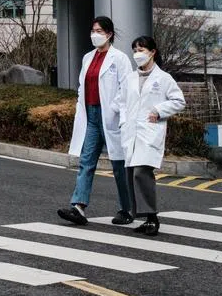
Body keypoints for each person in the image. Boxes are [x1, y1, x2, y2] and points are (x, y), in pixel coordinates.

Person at [58, 16, 135, 227]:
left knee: (119, 164)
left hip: (112, 117)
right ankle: (78, 207)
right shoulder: (88, 58)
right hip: (91, 116)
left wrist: (114, 109)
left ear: (109, 34)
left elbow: (126, 88)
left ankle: (126, 209)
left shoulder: (120, 58)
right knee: (86, 161)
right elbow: (82, 87)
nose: (95, 34)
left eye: (99, 31)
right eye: (93, 31)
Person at [119, 35, 185, 236]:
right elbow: (122, 102)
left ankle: (153, 218)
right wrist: (123, 121)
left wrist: (159, 110)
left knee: (141, 173)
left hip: (150, 132)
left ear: (152, 52)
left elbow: (179, 101)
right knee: (131, 175)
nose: (137, 54)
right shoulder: (130, 78)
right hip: (131, 132)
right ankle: (146, 218)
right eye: (135, 50)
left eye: (141, 50)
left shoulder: (163, 78)